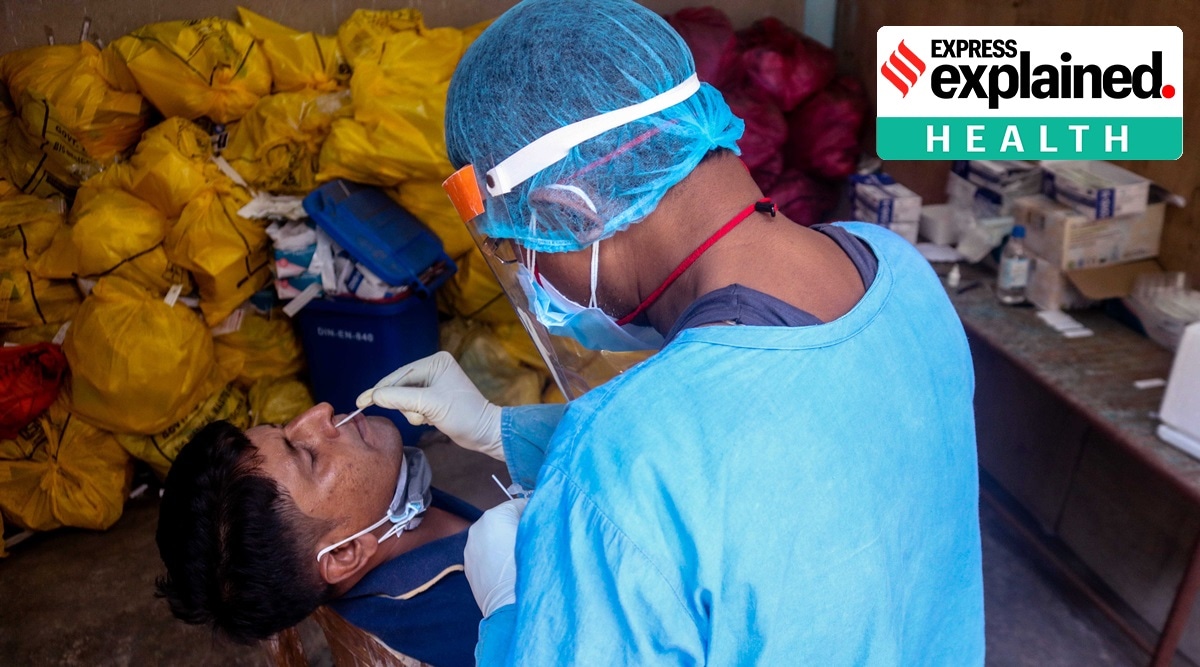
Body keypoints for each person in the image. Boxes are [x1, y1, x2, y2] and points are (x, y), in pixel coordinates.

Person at [357, 0, 984, 665]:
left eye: (524, 252)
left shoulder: (625, 456)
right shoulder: (895, 266)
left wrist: (513, 610)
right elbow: (781, 474)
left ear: (569, 210)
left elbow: (682, 468)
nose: (537, 283)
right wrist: (501, 429)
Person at [154, 403, 484, 667]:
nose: (320, 411)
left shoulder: (379, 505)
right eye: (309, 456)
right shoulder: (462, 631)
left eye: (283, 427)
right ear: (344, 554)